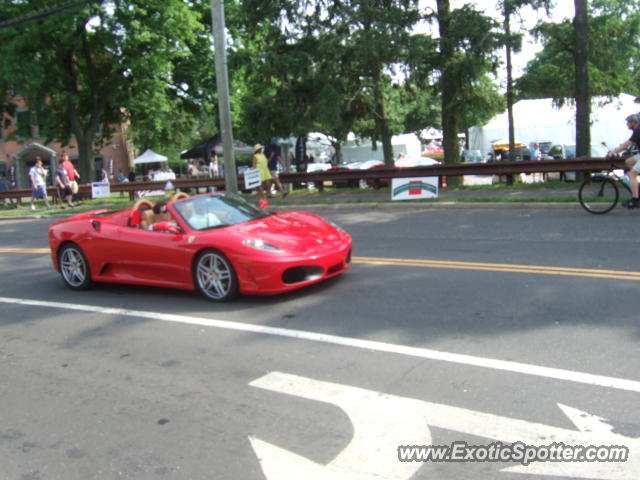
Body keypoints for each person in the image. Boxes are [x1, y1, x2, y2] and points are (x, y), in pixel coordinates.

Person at [607, 113, 640, 208]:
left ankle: (635, 200)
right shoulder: (637, 131)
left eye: (628, 122)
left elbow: (627, 144)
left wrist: (613, 152)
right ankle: (637, 187)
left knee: (631, 174)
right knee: (628, 162)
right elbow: (627, 145)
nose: (627, 124)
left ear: (634, 122)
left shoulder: (638, 131)